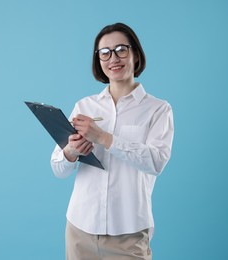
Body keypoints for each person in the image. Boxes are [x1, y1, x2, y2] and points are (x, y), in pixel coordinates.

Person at [51, 22, 174, 260]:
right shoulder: (84, 106)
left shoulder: (158, 110)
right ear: (98, 60)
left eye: (121, 49)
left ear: (135, 54)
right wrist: (71, 151)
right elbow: (58, 167)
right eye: (104, 53)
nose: (113, 58)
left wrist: (104, 138)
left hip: (128, 234)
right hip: (79, 229)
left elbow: (156, 162)